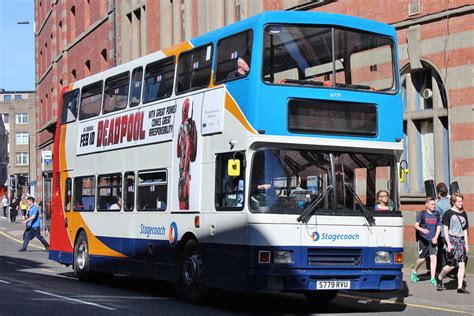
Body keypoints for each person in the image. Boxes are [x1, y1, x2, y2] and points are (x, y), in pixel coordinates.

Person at [436, 193, 470, 294]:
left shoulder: (464, 213)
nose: (461, 203)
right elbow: (445, 229)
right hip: (452, 240)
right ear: (453, 202)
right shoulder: (448, 213)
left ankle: (460, 287)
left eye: (461, 201)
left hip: (461, 241)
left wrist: (466, 245)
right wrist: (449, 244)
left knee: (462, 264)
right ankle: (440, 277)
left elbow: (465, 230)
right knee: (451, 265)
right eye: (459, 201)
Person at [410, 197, 441, 286]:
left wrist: (436, 237)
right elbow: (416, 225)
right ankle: (415, 271)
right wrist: (422, 230)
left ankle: (432, 278)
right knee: (422, 259)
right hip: (423, 240)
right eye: (432, 204)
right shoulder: (422, 214)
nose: (433, 206)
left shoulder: (437, 214)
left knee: (433, 257)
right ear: (426, 205)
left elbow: (438, 226)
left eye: (434, 204)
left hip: (433, 240)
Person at [435, 182, 451, 272]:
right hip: (450, 231)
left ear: (438, 193)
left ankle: (441, 269)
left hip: (441, 231)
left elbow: (436, 219)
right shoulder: (451, 202)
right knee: (449, 249)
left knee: (441, 251)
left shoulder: (438, 205)